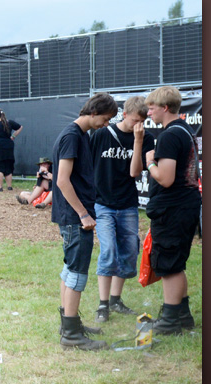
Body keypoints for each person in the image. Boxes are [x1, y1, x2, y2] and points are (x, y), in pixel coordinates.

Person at [51, 92, 118, 350]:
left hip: (73, 216)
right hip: (75, 218)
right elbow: (62, 181)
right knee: (77, 273)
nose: (107, 123)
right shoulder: (72, 136)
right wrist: (83, 214)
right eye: (105, 118)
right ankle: (70, 334)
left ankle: (70, 322)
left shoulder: (80, 135)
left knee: (69, 269)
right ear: (93, 112)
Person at [90, 96, 155, 323]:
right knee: (108, 251)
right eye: (135, 120)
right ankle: (103, 303)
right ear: (124, 114)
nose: (139, 125)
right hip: (103, 203)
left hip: (127, 203)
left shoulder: (145, 138)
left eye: (143, 121)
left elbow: (135, 172)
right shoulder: (100, 135)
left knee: (128, 252)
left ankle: (116, 299)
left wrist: (137, 142)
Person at [143, 86, 201, 334]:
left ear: (165, 107)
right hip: (185, 205)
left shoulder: (168, 135)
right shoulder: (185, 130)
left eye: (152, 107)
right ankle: (183, 316)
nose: (148, 112)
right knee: (176, 262)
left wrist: (150, 162)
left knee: (169, 264)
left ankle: (169, 320)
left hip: (173, 208)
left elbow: (164, 178)